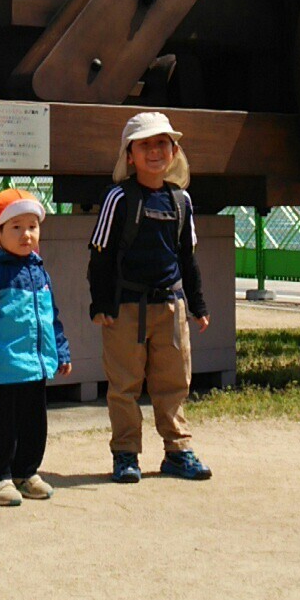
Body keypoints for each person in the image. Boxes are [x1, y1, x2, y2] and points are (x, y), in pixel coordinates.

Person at [89, 111, 213, 483]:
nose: (155, 151)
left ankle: (178, 451)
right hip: (126, 308)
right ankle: (125, 454)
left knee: (173, 383)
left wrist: (198, 305)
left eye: (162, 143)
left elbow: (187, 258)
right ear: (130, 155)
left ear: (174, 152)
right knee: (124, 385)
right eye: (145, 145)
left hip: (172, 306)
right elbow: (100, 255)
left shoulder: (181, 201)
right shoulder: (118, 198)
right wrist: (101, 305)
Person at [0, 187, 72, 506]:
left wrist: (61, 351)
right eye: (16, 227)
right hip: (4, 367)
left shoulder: (39, 270)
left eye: (32, 227)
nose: (27, 234)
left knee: (34, 425)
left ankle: (26, 472)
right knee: (3, 427)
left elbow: (51, 317)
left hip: (36, 366)